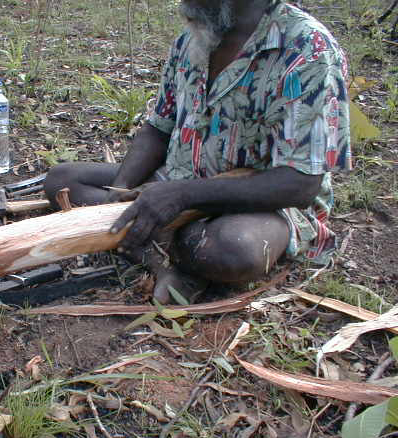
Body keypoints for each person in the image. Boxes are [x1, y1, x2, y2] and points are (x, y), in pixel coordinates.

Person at [44, 0, 351, 303]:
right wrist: (121, 188)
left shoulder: (308, 49)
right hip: (179, 175)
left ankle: (152, 245)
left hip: (262, 202)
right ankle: (160, 251)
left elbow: (301, 185)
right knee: (64, 180)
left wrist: (182, 196)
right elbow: (158, 128)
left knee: (233, 249)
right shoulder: (194, 38)